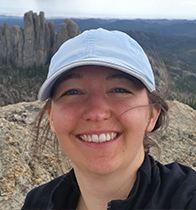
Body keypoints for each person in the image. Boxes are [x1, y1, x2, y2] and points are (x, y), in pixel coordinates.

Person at [22, 28, 196, 210]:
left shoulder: (187, 199)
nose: (97, 114)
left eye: (119, 90)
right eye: (72, 91)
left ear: (152, 115)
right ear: (52, 119)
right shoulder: (37, 203)